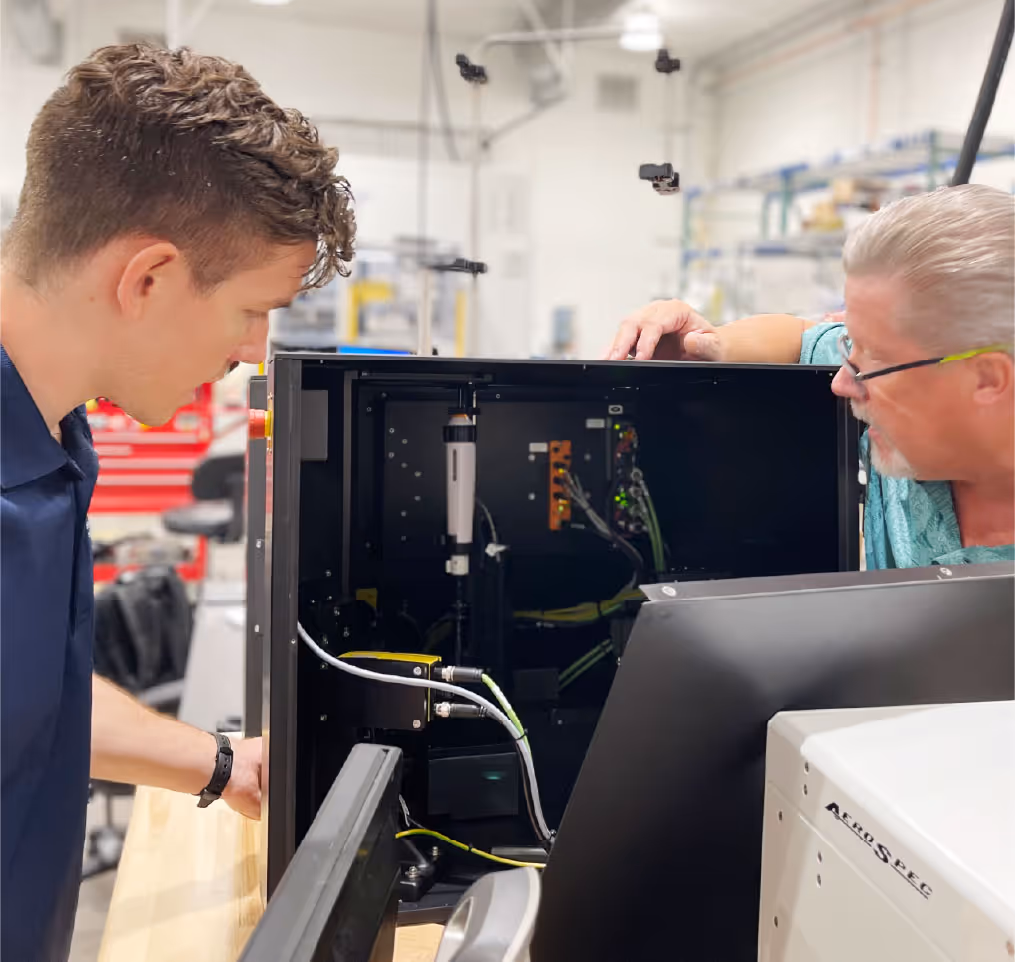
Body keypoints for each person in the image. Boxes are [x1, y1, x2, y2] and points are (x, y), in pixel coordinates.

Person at [1, 43, 356, 962]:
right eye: (250, 310)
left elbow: (29, 695)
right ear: (147, 279)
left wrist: (225, 763)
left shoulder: (49, 439)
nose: (252, 351)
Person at [606, 184, 1014, 569]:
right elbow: (800, 336)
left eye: (876, 362)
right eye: (852, 347)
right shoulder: (912, 385)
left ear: (988, 379)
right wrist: (708, 344)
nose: (840, 383)